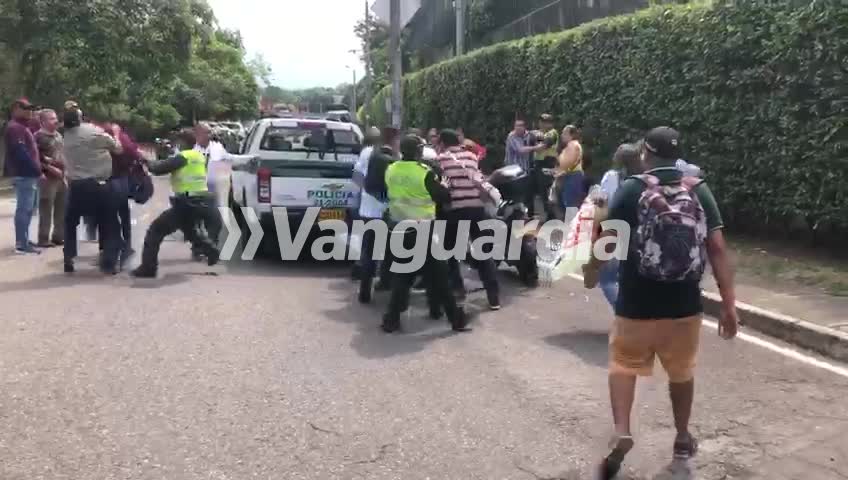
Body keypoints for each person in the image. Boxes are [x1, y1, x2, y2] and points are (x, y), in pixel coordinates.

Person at [582, 127, 739, 479]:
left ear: (645, 154)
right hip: (684, 304)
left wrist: (591, 269)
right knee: (681, 372)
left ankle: (622, 430)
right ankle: (682, 439)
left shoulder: (631, 189)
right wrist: (729, 304)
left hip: (636, 303)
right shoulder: (698, 189)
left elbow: (608, 242)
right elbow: (717, 249)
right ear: (677, 156)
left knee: (623, 364)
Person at [381, 135, 469, 333]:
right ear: (419, 151)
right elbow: (443, 197)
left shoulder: (391, 169)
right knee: (440, 276)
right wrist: (444, 186)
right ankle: (455, 318)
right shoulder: (425, 173)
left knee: (404, 277)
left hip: (399, 229)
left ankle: (392, 320)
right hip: (422, 231)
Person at [131, 130, 220, 278]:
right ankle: (210, 250)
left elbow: (157, 169)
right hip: (201, 201)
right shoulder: (198, 156)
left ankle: (148, 268)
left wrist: (143, 159)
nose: (175, 145)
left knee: (155, 231)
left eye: (177, 142)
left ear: (182, 143)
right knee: (190, 231)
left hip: (186, 203)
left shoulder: (183, 157)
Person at [437, 129, 501, 310]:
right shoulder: (471, 156)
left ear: (442, 142)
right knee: (483, 253)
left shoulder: (441, 159)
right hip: (476, 209)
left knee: (449, 252)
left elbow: (443, 187)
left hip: (456, 211)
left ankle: (457, 290)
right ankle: (494, 297)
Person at [62, 103, 126, 274]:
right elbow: (118, 149)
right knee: (110, 223)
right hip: (98, 185)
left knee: (70, 223)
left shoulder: (66, 136)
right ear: (80, 118)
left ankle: (68, 256)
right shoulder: (92, 131)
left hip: (76, 186)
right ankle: (109, 263)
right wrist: (117, 133)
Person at [595, 143, 643, 307]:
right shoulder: (644, 178)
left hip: (613, 231)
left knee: (607, 279)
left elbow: (602, 202)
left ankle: (625, 315)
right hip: (638, 234)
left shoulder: (612, 177)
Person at [353, 126, 392, 301]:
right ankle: (385, 282)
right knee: (389, 250)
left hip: (368, 210)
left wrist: (367, 193)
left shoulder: (366, 153)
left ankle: (364, 292)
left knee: (369, 251)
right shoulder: (393, 154)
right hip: (389, 211)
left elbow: (356, 177)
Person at [4, 98, 43, 254]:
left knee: (29, 209)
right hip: (24, 174)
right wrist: (36, 170)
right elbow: (21, 153)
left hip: (28, 174)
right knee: (24, 209)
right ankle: (21, 243)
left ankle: (24, 239)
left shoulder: (22, 127)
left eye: (30, 108)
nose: (29, 111)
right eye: (25, 108)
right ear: (15, 109)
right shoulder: (14, 127)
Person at [34, 109, 67, 248]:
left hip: (62, 177)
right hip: (47, 179)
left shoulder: (59, 136)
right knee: (46, 209)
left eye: (55, 118)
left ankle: (58, 236)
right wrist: (48, 168)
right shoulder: (38, 137)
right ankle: (43, 239)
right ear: (42, 122)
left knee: (62, 208)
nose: (55, 121)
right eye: (51, 119)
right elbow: (34, 158)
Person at [194, 122, 228, 247]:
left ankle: (212, 246)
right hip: (195, 190)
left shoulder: (217, 148)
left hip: (212, 190)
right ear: (198, 135)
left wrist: (247, 160)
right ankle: (198, 248)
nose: (209, 135)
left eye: (210, 132)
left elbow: (229, 159)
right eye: (206, 132)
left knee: (215, 221)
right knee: (197, 222)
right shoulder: (191, 150)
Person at [505, 118, 545, 217]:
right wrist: (536, 148)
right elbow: (520, 150)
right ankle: (516, 216)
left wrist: (540, 138)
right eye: (516, 126)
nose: (518, 128)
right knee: (516, 196)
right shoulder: (511, 136)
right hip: (513, 173)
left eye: (520, 125)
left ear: (524, 127)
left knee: (528, 194)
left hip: (526, 170)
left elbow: (538, 138)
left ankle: (529, 216)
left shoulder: (529, 135)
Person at [553, 125, 584, 219]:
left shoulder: (573, 145)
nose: (562, 135)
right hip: (571, 176)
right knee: (569, 203)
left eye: (564, 133)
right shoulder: (570, 145)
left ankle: (572, 227)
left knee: (571, 204)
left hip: (573, 176)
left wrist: (558, 172)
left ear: (571, 135)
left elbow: (568, 163)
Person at [533, 114, 559, 219]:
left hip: (548, 162)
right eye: (541, 121)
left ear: (551, 123)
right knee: (541, 191)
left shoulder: (552, 133)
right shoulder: (540, 133)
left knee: (546, 190)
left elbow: (543, 146)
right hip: (539, 163)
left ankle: (551, 216)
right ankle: (548, 214)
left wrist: (532, 146)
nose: (543, 124)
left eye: (546, 122)